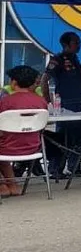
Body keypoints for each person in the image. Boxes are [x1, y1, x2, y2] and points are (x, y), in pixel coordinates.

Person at [41, 31, 81, 179]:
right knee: (63, 138)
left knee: (79, 137)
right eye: (76, 42)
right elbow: (44, 79)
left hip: (80, 104)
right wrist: (48, 101)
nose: (79, 45)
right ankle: (56, 169)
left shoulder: (75, 59)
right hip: (65, 105)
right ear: (66, 44)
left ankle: (75, 167)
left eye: (79, 42)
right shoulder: (57, 59)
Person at [0, 66, 47, 196]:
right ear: (33, 83)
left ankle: (2, 185)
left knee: (3, 147)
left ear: (13, 82)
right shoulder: (41, 102)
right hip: (33, 147)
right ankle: (12, 184)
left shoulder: (5, 102)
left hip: (6, 147)